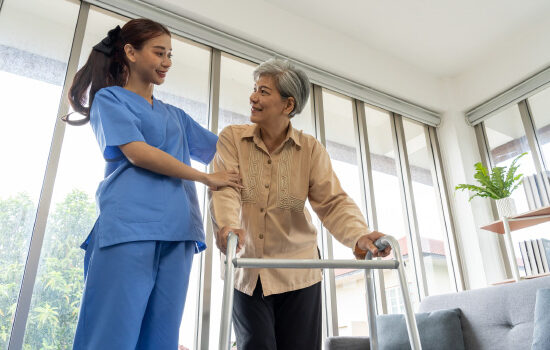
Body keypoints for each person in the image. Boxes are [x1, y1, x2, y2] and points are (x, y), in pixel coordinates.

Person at [65, 19, 242, 349]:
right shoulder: (110, 100)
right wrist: (204, 177)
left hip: (179, 235)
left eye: (170, 55)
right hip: (129, 230)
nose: (167, 62)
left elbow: (226, 152)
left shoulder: (175, 115)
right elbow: (137, 153)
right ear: (130, 52)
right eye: (159, 53)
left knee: (161, 339)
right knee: (111, 336)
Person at [210, 58, 392, 350]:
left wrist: (359, 234)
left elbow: (332, 201)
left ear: (287, 105)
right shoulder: (233, 138)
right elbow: (225, 189)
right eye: (254, 89)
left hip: (299, 273)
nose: (253, 97)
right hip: (247, 270)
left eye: (264, 91)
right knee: (255, 345)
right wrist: (228, 226)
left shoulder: (310, 149)